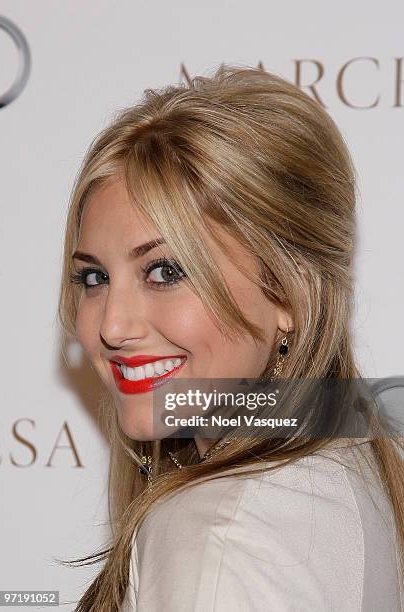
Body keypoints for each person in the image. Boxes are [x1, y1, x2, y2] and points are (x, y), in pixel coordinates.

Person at [58, 64, 404, 611]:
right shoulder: (353, 468)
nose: (111, 327)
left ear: (288, 292)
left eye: (166, 271)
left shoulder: (214, 530)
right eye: (94, 278)